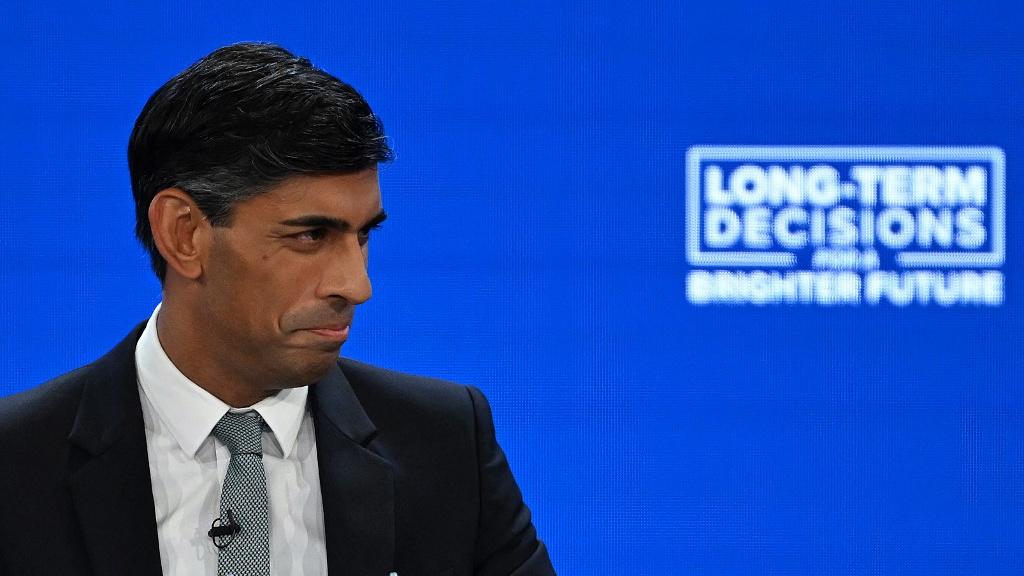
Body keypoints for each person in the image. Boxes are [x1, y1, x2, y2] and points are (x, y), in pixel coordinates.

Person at [0, 42, 555, 576]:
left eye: (363, 236)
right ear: (184, 234)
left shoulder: (446, 443)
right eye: (312, 235)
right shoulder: (16, 465)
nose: (357, 286)